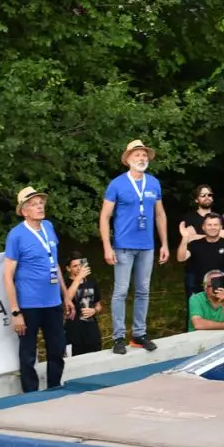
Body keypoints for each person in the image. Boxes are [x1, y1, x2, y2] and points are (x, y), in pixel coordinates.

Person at [99, 140, 169, 355]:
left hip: (146, 246)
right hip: (123, 246)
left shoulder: (153, 183)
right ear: (128, 159)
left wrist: (165, 243)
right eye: (137, 155)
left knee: (143, 291)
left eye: (144, 155)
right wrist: (107, 247)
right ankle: (118, 337)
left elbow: (159, 214)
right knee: (120, 291)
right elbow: (105, 216)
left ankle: (139, 333)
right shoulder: (117, 184)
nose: (142, 159)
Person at [3, 187, 75, 393]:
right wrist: (16, 311)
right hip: (29, 303)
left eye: (41, 203)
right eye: (34, 204)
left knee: (57, 349)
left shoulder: (49, 227)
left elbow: (54, 263)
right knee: (28, 353)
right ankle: (31, 394)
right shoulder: (16, 235)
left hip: (53, 301)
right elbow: (7, 275)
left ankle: (55, 388)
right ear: (24, 211)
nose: (40, 207)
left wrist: (66, 295)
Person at [63, 252, 103, 357]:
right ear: (68, 268)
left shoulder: (91, 282)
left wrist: (94, 310)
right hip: (73, 330)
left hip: (92, 328)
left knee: (96, 357)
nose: (78, 268)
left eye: (80, 265)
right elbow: (66, 300)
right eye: (75, 266)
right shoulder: (64, 283)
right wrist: (78, 279)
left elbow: (99, 305)